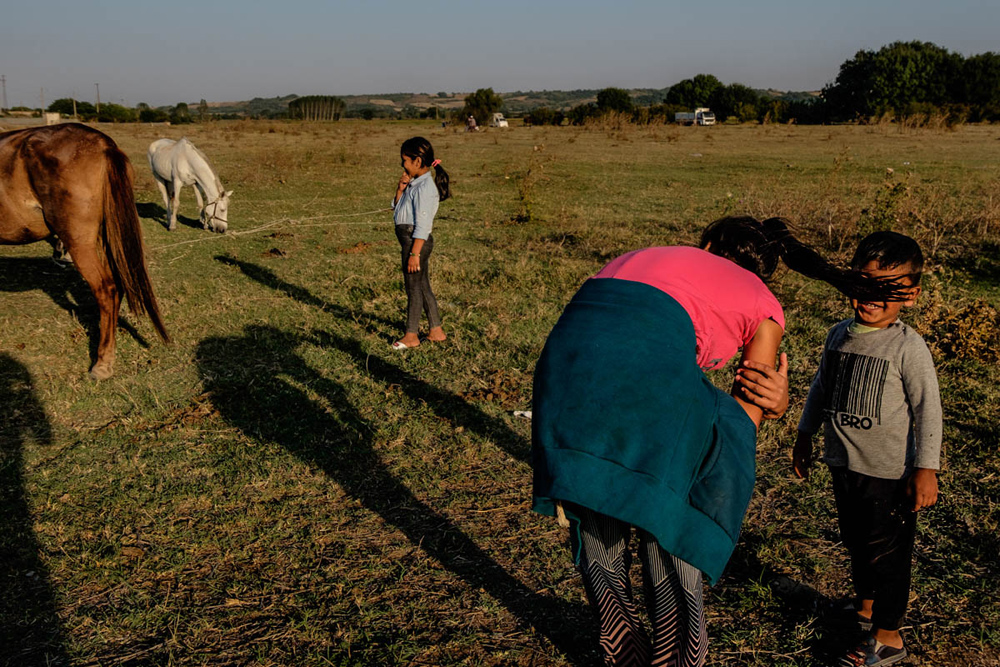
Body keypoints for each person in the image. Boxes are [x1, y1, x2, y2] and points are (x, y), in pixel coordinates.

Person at [531, 217, 913, 667]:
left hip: (562, 376)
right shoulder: (762, 299)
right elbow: (746, 409)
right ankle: (678, 654)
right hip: (645, 388)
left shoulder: (640, 256)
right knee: (672, 516)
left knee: (598, 504)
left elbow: (628, 340)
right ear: (766, 270)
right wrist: (775, 404)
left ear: (707, 243)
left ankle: (619, 645)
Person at [793, 231, 941, 667]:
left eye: (887, 288)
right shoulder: (838, 335)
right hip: (844, 463)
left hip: (889, 472)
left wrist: (925, 468)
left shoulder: (907, 347)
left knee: (889, 554)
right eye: (863, 284)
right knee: (857, 541)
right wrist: (804, 435)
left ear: (910, 295)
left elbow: (928, 409)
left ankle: (888, 636)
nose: (871, 298)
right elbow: (821, 388)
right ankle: (866, 608)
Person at [390, 136, 450, 350]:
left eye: (404, 160)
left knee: (413, 288)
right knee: (422, 285)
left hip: (415, 242)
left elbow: (423, 225)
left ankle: (411, 335)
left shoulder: (425, 188)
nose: (402, 165)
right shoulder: (414, 184)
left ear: (417, 161)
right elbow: (398, 210)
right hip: (410, 241)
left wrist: (414, 254)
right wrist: (400, 190)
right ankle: (436, 331)